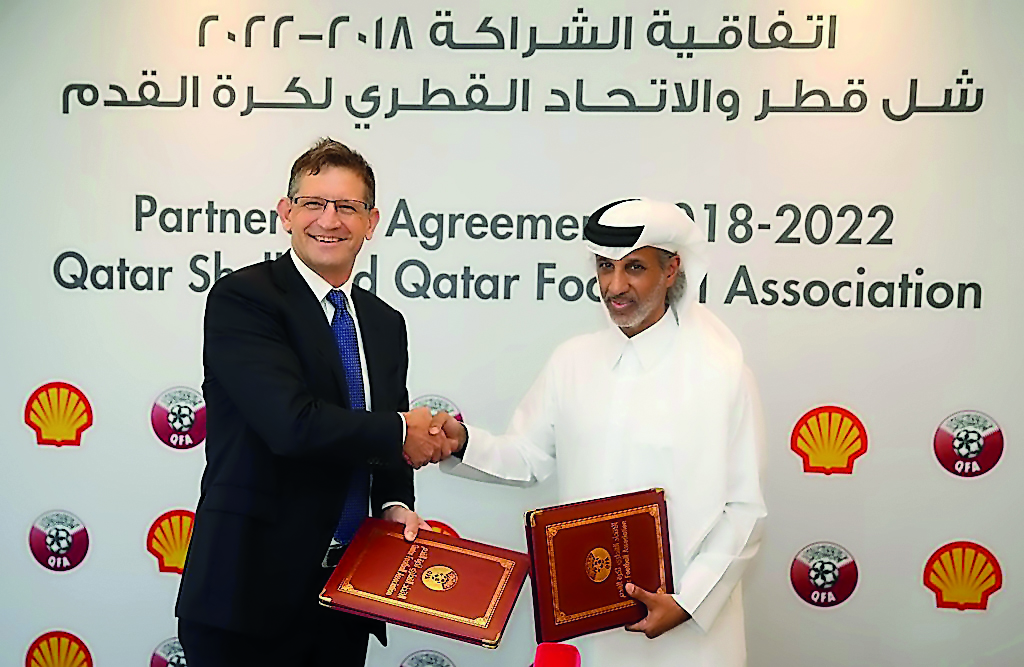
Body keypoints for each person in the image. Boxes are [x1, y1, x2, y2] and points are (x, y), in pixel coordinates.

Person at [435, 199, 767, 667]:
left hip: (690, 635)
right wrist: (461, 442)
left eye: (634, 268)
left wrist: (688, 601)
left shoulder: (721, 372)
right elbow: (528, 455)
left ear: (671, 270)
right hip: (591, 628)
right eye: (605, 267)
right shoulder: (573, 361)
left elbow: (745, 508)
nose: (615, 286)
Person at [175, 138, 455, 667]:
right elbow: (292, 424)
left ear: (371, 222)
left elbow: (385, 426)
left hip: (346, 594)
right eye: (314, 203)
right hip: (247, 595)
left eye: (347, 207)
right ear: (286, 213)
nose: (330, 220)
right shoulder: (246, 299)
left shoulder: (384, 323)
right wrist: (401, 431)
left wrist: (396, 501)